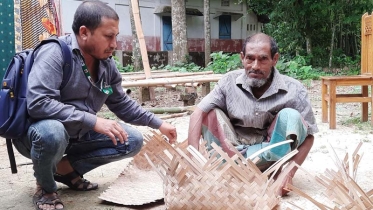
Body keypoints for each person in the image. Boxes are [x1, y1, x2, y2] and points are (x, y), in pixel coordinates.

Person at [12, 1, 177, 210]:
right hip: (38, 136)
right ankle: (46, 189)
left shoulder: (106, 63)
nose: (114, 43)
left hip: (76, 135)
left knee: (131, 140)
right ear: (84, 32)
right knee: (53, 132)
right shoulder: (55, 53)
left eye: (116, 36)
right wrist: (92, 120)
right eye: (109, 36)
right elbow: (39, 103)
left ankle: (64, 168)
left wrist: (158, 123)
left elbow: (121, 103)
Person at [188, 33, 318, 196]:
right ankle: (230, 171)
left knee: (291, 116)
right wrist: (192, 160)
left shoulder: (294, 89)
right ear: (242, 58)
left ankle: (272, 173)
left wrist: (288, 173)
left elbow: (309, 136)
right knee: (208, 112)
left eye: (263, 59)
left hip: (271, 156)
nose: (255, 66)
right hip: (230, 156)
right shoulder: (228, 82)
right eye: (250, 58)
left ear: (275, 59)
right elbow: (197, 113)